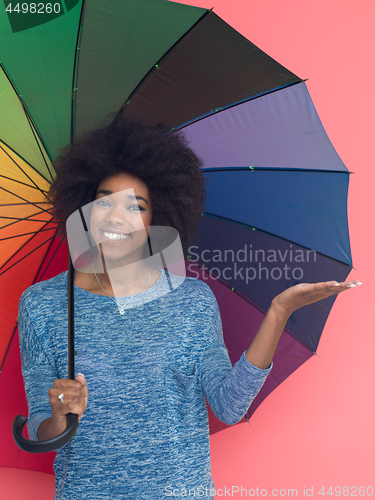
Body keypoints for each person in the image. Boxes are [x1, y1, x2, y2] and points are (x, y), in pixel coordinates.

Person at [18, 115, 361, 500]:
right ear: (83, 208)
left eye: (136, 206)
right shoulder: (42, 305)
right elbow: (38, 431)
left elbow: (228, 405)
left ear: (157, 218)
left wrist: (279, 312)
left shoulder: (191, 301)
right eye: (104, 201)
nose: (116, 216)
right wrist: (60, 417)